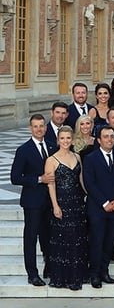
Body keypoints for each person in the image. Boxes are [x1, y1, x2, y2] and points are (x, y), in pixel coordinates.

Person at [11, 114, 57, 287]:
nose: (39, 129)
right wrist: (39, 179)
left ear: (46, 128)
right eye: (35, 126)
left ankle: (49, 268)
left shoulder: (53, 147)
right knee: (31, 238)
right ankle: (32, 273)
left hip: (50, 201)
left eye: (41, 126)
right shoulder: (23, 150)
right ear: (30, 128)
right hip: (32, 202)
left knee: (48, 237)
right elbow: (15, 177)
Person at [44, 126, 88, 290]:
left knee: (77, 238)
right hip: (61, 202)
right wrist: (55, 206)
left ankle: (77, 276)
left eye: (68, 138)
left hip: (77, 202)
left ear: (72, 139)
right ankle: (63, 277)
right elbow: (51, 185)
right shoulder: (51, 160)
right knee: (64, 240)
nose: (65, 141)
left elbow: (81, 179)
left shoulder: (77, 156)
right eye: (62, 138)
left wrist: (87, 195)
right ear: (57, 140)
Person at [83, 126, 114, 289]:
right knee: (97, 242)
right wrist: (104, 203)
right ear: (99, 140)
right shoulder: (90, 158)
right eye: (106, 137)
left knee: (110, 242)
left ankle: (104, 271)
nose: (109, 139)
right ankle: (94, 274)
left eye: (112, 136)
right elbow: (90, 183)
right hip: (97, 209)